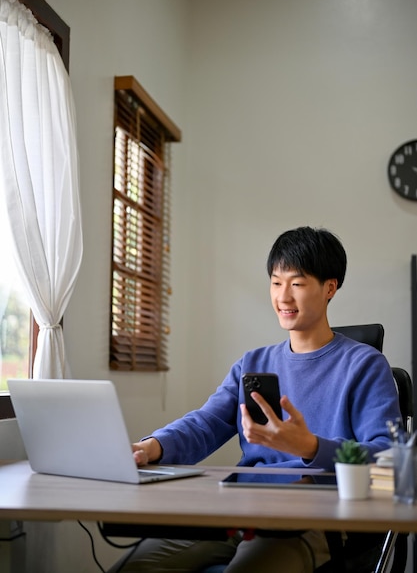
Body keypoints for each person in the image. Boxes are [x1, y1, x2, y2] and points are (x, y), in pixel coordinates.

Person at [110, 226, 401, 573]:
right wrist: (152, 446)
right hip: (239, 507)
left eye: (297, 283)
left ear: (329, 288)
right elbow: (206, 422)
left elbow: (388, 457)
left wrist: (310, 447)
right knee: (135, 567)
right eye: (276, 283)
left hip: (314, 519)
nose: (283, 297)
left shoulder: (364, 365)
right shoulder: (254, 364)